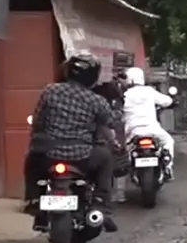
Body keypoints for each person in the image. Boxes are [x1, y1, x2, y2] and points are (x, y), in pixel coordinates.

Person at [23, 54, 119, 232]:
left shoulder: (50, 91)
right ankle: (100, 202)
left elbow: (38, 120)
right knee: (106, 158)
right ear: (93, 76)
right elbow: (110, 123)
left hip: (48, 154)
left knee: (30, 159)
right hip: (81, 157)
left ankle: (34, 199)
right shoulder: (97, 101)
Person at [121, 67, 175, 180]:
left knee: (124, 149)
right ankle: (167, 166)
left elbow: (118, 110)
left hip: (132, 131)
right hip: (152, 129)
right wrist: (172, 101)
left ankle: (127, 170)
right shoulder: (149, 91)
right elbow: (167, 101)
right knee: (168, 141)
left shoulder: (125, 94)